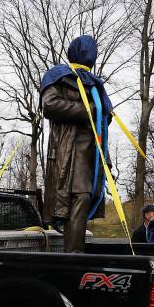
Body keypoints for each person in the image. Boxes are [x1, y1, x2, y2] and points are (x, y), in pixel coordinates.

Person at [40, 35, 113, 252]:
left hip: (92, 152)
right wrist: (88, 110)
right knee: (77, 198)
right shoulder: (59, 76)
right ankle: (74, 254)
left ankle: (75, 253)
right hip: (69, 151)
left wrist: (106, 160)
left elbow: (104, 122)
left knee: (83, 199)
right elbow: (50, 105)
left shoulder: (96, 85)